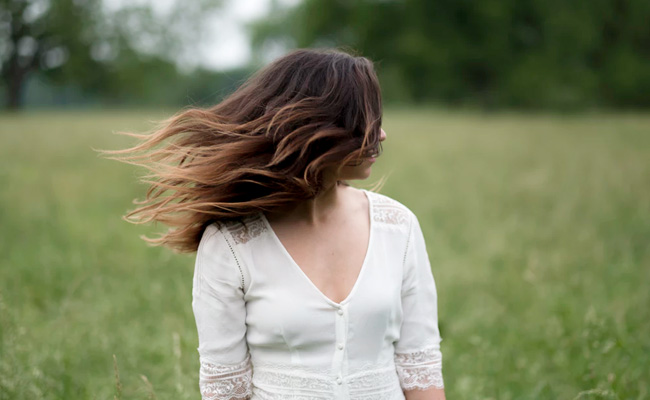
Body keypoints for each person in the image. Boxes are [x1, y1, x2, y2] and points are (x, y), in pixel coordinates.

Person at [105, 48, 445, 399]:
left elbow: (420, 367)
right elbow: (225, 390)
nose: (382, 134)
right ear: (318, 127)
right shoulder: (231, 244)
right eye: (364, 120)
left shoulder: (398, 227)